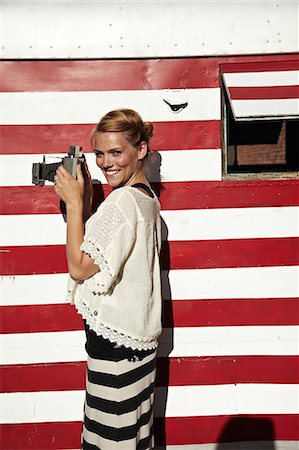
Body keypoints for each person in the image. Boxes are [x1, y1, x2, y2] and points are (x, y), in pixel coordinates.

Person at [54, 109, 162, 449]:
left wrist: (73, 205)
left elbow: (80, 266)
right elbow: (103, 250)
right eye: (100, 153)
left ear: (141, 150)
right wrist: (84, 204)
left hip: (116, 349)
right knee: (132, 435)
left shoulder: (122, 203)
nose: (105, 163)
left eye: (116, 152)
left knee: (110, 440)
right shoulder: (146, 198)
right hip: (136, 345)